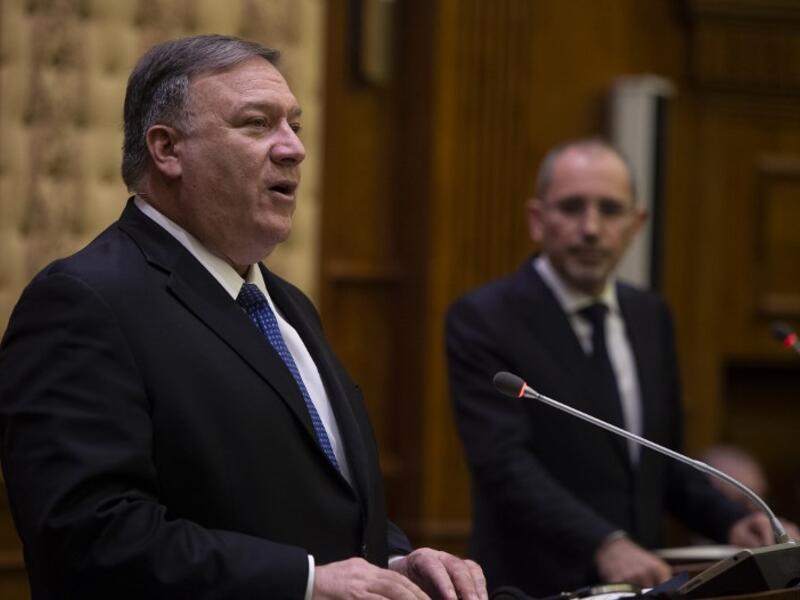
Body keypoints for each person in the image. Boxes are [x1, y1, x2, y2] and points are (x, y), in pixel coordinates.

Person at [0, 35, 486, 600]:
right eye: (258, 124)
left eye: (295, 126)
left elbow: (318, 497)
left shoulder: (288, 305)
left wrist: (395, 559)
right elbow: (87, 536)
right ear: (167, 149)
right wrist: (304, 582)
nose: (293, 149)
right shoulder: (82, 302)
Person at [445, 138, 785, 596]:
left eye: (609, 209)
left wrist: (737, 523)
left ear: (635, 224)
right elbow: (504, 465)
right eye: (571, 207)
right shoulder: (484, 318)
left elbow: (663, 460)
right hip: (535, 586)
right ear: (536, 220)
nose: (590, 228)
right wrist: (603, 543)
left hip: (642, 587)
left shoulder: (650, 316)